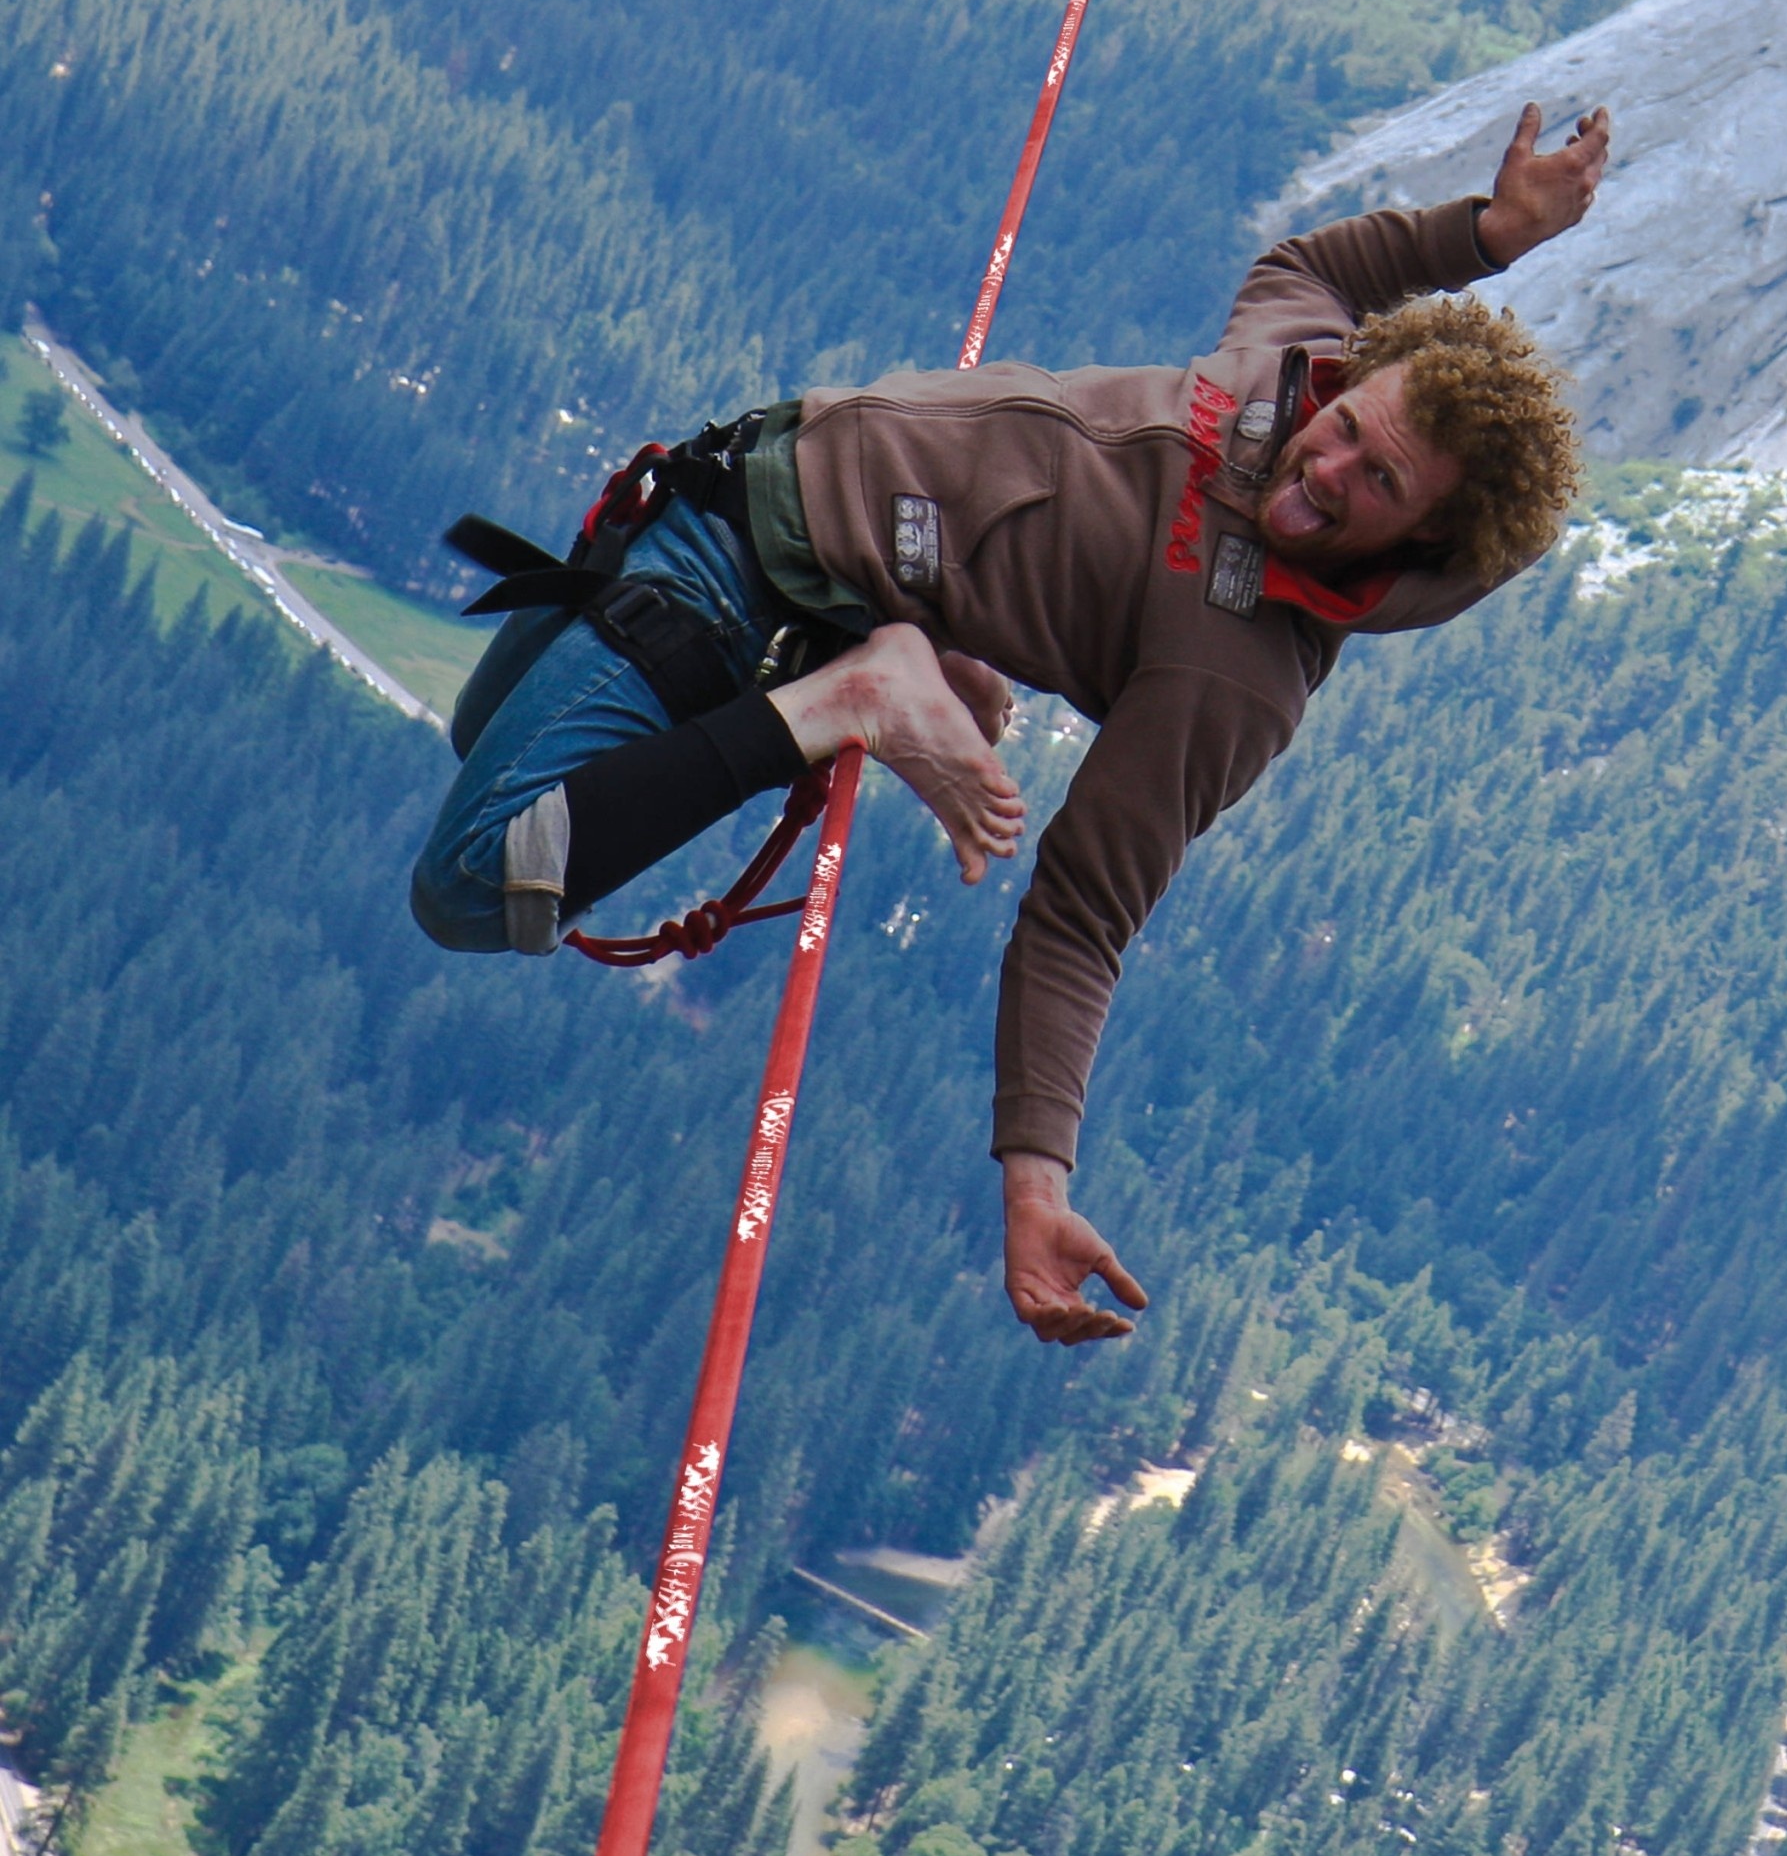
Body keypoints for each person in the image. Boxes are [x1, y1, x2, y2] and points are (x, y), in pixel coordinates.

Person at [413, 99, 1610, 1346]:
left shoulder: (1237, 676)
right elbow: (1315, 265)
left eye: (1378, 487)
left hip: (742, 588)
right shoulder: (1285, 368)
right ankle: (906, 657)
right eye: (1349, 429)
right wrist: (1487, 231)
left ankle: (853, 695)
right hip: (739, 495)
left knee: (469, 882)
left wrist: (1037, 1182)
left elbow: (1085, 912)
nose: (1326, 470)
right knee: (481, 744)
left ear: (1426, 542)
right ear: (1351, 381)